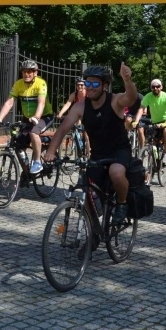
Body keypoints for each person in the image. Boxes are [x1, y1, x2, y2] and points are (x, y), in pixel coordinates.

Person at [44, 63, 138, 225]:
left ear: (104, 86)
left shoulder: (114, 101)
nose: (91, 87)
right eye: (88, 83)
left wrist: (127, 80)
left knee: (116, 173)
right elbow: (62, 129)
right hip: (97, 154)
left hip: (119, 151)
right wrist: (51, 151)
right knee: (88, 193)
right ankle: (92, 235)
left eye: (95, 84)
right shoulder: (80, 107)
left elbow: (131, 98)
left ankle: (122, 204)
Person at [0, 59, 54, 174]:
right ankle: (26, 171)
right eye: (24, 71)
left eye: (29, 72)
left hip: (44, 116)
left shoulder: (41, 83)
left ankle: (37, 162)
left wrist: (36, 117)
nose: (26, 74)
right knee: (18, 145)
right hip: (27, 118)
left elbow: (41, 103)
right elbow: (10, 102)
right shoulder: (18, 84)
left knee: (34, 132)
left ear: (35, 73)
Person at [132, 79, 166, 163]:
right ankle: (153, 165)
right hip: (155, 122)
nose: (155, 88)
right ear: (151, 88)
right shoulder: (148, 96)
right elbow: (141, 109)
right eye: (153, 87)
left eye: (157, 86)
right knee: (152, 142)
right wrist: (136, 121)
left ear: (161, 87)